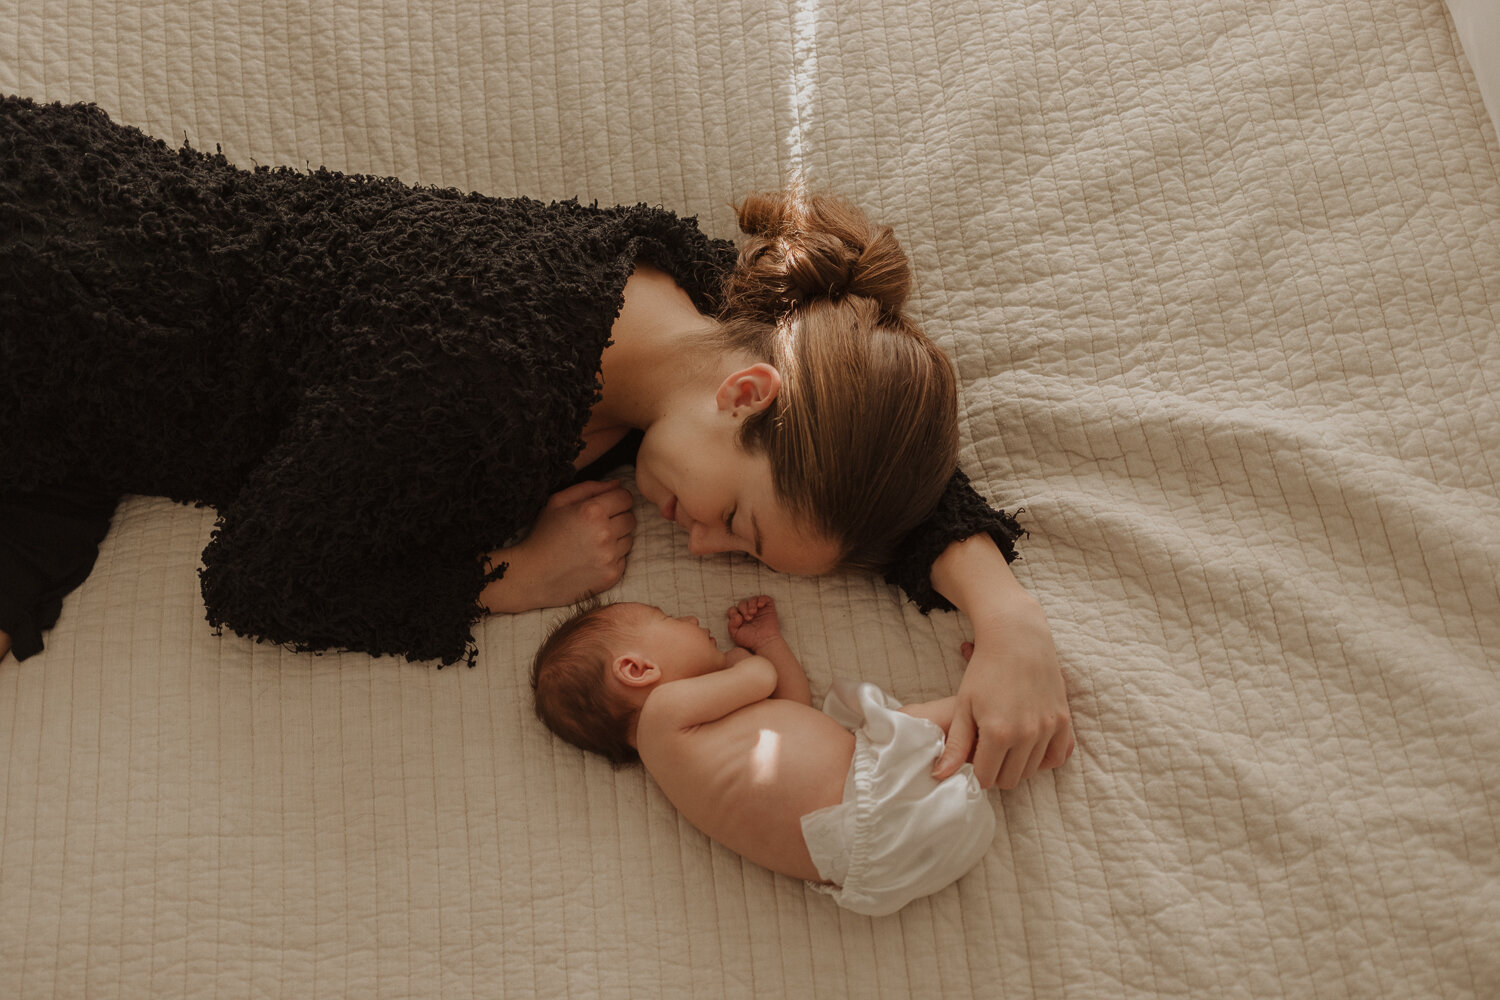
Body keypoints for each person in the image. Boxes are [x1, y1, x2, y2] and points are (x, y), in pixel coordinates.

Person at [0, 95, 1070, 789]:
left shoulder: (702, 306)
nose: (701, 548)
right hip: (45, 308)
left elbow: (863, 452)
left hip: (96, 377)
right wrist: (511, 577)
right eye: (734, 524)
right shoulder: (479, 381)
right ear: (747, 395)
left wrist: (1007, 619)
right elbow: (258, 578)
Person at [532, 594, 997, 916]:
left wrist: (771, 643)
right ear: (637, 669)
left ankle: (994, 727)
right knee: (902, 721)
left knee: (910, 732)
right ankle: (995, 696)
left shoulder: (686, 741)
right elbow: (761, 678)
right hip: (868, 810)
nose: (692, 619)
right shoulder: (662, 713)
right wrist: (743, 658)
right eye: (669, 618)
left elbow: (793, 708)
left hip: (868, 857)